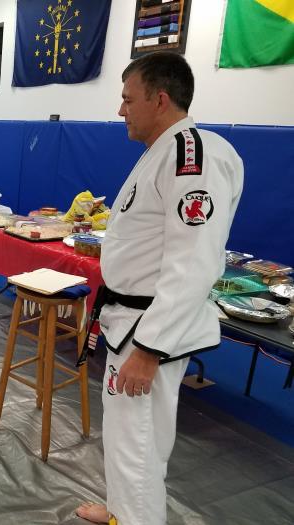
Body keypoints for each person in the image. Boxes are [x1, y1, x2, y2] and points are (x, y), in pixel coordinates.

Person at [75, 52, 243, 525]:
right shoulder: (162, 152)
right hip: (128, 321)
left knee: (140, 445)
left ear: (161, 99)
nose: (120, 110)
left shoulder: (193, 158)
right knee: (126, 434)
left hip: (149, 329)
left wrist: (150, 349)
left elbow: (193, 263)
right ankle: (120, 509)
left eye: (128, 100)